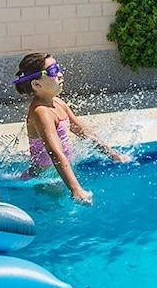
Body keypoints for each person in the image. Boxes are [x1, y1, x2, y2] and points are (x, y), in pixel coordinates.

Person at [12, 53, 128, 204]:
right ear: (36, 84)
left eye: (58, 68)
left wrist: (113, 155)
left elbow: (84, 132)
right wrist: (76, 189)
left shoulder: (58, 103)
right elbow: (55, 152)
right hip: (44, 181)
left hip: (57, 174)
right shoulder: (41, 112)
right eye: (53, 71)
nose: (60, 74)